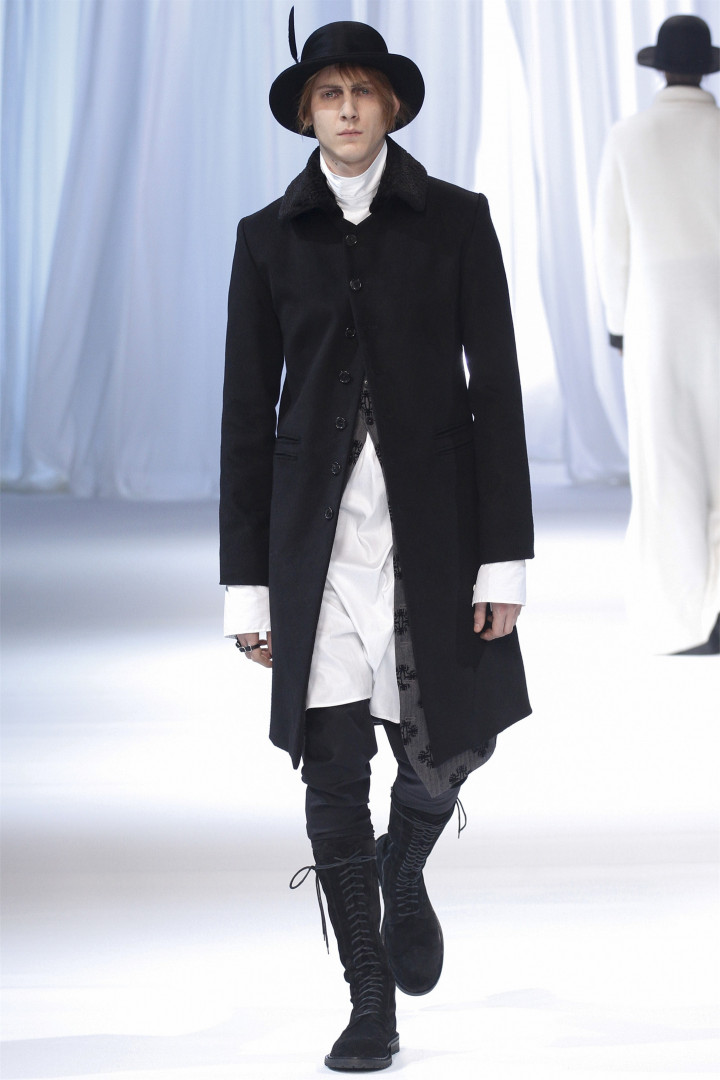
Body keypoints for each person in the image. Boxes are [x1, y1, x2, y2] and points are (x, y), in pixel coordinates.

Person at [220, 12, 534, 1072]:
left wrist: (505, 557)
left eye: (362, 92)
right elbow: (244, 418)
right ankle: (369, 1003)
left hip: (432, 533)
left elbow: (497, 392)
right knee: (330, 777)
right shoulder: (267, 237)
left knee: (449, 748)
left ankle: (405, 865)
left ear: (391, 106)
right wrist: (247, 587)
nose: (347, 109)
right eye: (329, 94)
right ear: (307, 112)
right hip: (314, 547)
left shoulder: (456, 221)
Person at [595, 14, 720, 656]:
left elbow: (611, 241)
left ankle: (682, 613)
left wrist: (619, 324)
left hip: (657, 315)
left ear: (661, 67)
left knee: (668, 466)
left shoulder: (629, 136)